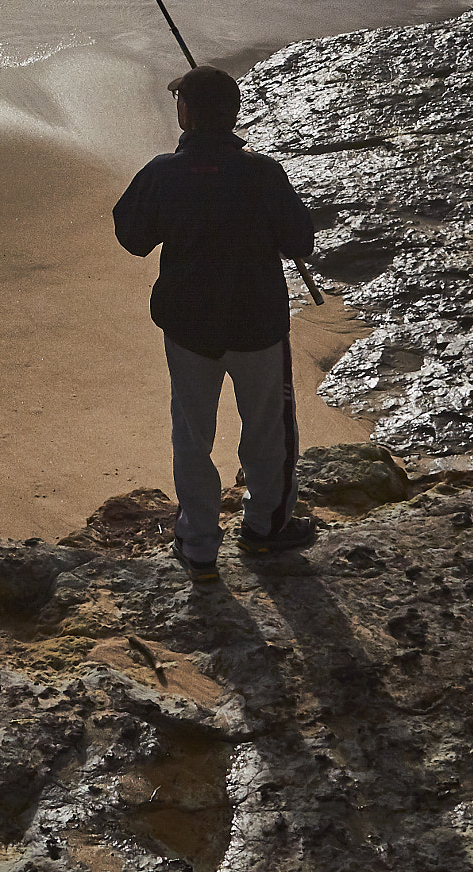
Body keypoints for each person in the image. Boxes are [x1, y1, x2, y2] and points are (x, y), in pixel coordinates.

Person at [113, 63, 318, 585]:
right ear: (232, 116)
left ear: (186, 114)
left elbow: (132, 235)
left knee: (192, 433)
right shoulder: (263, 172)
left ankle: (199, 546)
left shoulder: (162, 172)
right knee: (269, 430)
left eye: (179, 101)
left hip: (191, 329)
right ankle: (265, 528)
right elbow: (300, 242)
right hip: (257, 326)